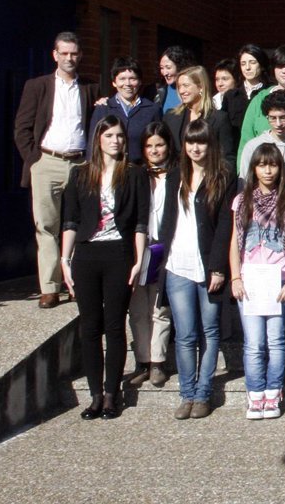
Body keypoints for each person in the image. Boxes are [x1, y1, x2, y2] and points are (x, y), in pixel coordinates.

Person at [60, 116, 148, 420]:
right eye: (109, 135)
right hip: (86, 254)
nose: (115, 141)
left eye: (120, 135)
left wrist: (138, 260)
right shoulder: (80, 174)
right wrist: (64, 260)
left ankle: (112, 394)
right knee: (89, 326)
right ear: (98, 138)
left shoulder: (134, 174)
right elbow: (70, 220)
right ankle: (95, 395)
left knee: (114, 325)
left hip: (119, 253)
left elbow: (141, 221)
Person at [14, 31, 99, 309]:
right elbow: (22, 127)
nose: (69, 58)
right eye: (64, 53)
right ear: (55, 55)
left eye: (73, 53)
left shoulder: (90, 88)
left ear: (80, 55)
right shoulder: (37, 86)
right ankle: (50, 287)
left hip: (81, 163)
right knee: (46, 226)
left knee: (82, 224)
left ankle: (77, 284)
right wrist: (34, 159)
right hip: (47, 161)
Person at [159, 118, 236, 420]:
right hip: (177, 264)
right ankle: (187, 393)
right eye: (190, 142)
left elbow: (225, 226)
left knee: (210, 330)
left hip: (207, 265)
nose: (195, 147)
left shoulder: (223, 177)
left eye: (201, 141)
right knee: (185, 334)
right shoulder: (175, 176)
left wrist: (218, 267)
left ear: (210, 144)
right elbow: (167, 220)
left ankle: (203, 393)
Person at [229, 143, 285, 420]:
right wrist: (235, 277)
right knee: (253, 343)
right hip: (250, 279)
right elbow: (235, 241)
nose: (268, 170)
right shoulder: (242, 201)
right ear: (254, 169)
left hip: (278, 279)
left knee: (275, 340)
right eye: (262, 165)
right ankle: (255, 393)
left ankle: (273, 392)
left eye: (272, 165)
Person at [127, 122, 176, 389]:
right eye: (149, 146)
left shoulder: (177, 174)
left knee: (160, 308)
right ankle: (142, 361)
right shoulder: (134, 174)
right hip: (138, 245)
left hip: (165, 246)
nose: (155, 150)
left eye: (159, 145)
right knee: (137, 309)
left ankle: (158, 362)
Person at [89, 57, 162, 164]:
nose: (127, 83)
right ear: (114, 82)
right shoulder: (103, 109)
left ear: (140, 82)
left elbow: (159, 141)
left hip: (141, 169)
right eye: (122, 79)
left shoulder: (152, 110)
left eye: (133, 78)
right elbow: (92, 144)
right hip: (109, 168)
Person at [163, 65, 237, 170]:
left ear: (201, 87)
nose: (181, 91)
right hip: (177, 176)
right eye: (179, 86)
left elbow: (227, 158)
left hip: (209, 176)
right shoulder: (170, 117)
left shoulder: (220, 119)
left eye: (186, 85)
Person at [213, 58, 249, 135]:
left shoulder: (243, 100)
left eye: (225, 79)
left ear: (236, 79)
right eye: (217, 79)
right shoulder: (212, 101)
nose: (220, 84)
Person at [154, 46, 196, 113]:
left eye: (168, 67)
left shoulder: (194, 91)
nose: (164, 73)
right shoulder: (160, 93)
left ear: (180, 67)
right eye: (162, 68)